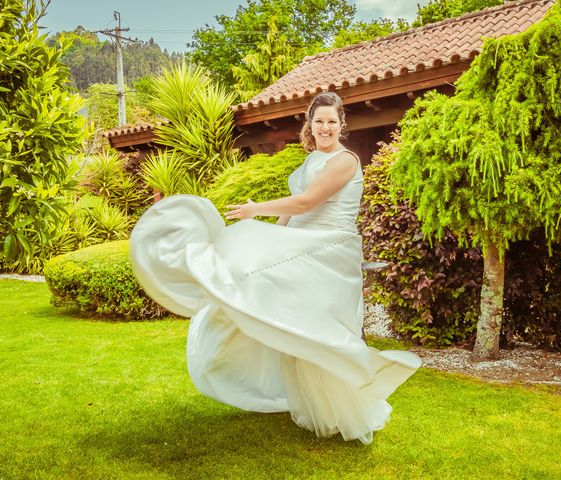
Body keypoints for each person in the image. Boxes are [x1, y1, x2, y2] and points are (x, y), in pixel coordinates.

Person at [129, 92, 421, 445]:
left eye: (331, 121)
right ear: (310, 125)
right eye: (319, 121)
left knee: (315, 328)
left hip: (327, 250)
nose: (325, 127)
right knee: (276, 308)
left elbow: (306, 202)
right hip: (300, 246)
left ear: (341, 124)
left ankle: (343, 410)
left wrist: (256, 211)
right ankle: (310, 405)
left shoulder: (345, 161)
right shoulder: (312, 158)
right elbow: (292, 212)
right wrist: (269, 238)